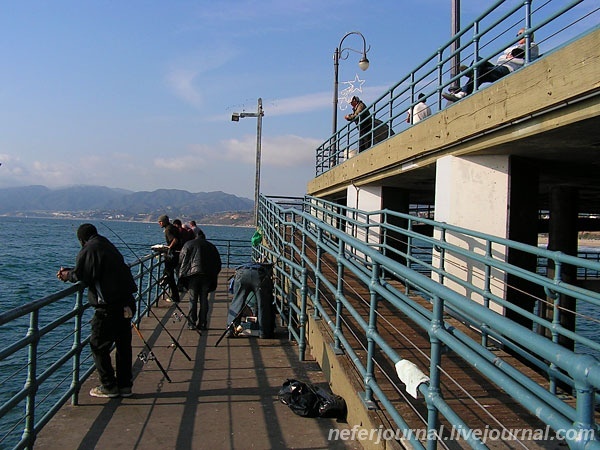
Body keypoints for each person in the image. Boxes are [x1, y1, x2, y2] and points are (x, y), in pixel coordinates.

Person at [57, 223, 137, 398]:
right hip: (127, 302)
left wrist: (66, 275)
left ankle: (108, 385)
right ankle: (125, 385)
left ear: (81, 239)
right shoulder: (106, 245)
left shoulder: (89, 249)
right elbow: (92, 269)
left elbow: (82, 275)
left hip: (109, 306)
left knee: (98, 344)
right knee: (123, 345)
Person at [443, 29, 539, 102]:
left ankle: (463, 90)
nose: (518, 36)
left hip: (508, 69)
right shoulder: (517, 47)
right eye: (517, 34)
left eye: (521, 34)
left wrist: (509, 54)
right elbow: (508, 52)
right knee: (479, 60)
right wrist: (508, 54)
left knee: (480, 71)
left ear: (529, 35)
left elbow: (516, 53)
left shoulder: (532, 45)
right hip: (499, 67)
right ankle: (465, 86)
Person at [178, 234, 222, 331]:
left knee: (192, 299)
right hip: (206, 275)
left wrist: (182, 274)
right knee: (204, 299)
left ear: (195, 237)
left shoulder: (188, 244)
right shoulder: (211, 246)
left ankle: (191, 323)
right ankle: (202, 323)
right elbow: (218, 263)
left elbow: (181, 259)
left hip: (192, 275)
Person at [227, 262, 275, 339]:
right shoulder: (265, 270)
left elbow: (234, 291)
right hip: (258, 274)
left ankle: (231, 329)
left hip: (241, 273)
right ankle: (264, 332)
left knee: (237, 302)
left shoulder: (242, 267)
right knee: (262, 304)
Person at [157, 214, 181, 303]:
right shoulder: (173, 227)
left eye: (160, 222)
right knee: (169, 275)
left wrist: (169, 248)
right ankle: (173, 293)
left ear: (163, 222)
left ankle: (175, 296)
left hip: (173, 255)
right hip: (178, 254)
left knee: (169, 275)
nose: (159, 223)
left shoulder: (168, 229)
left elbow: (175, 240)